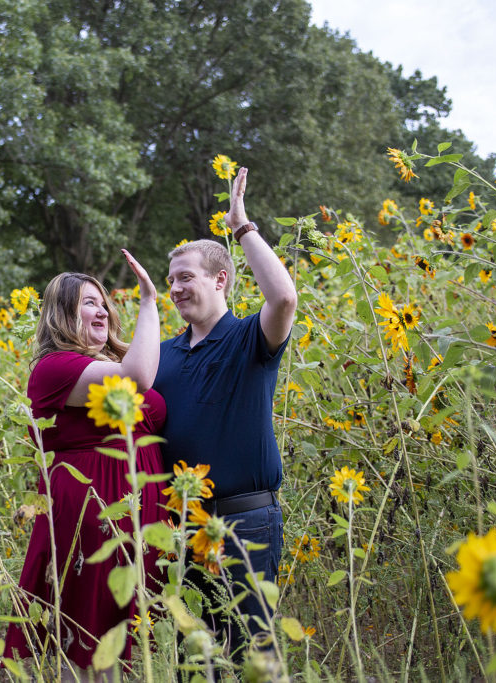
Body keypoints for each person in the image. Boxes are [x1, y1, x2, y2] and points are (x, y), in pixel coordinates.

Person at [152, 167, 297, 653]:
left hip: (246, 521)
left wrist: (242, 227)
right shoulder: (162, 354)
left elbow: (283, 297)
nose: (174, 288)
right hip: (183, 524)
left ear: (221, 279)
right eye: (170, 280)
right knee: (198, 656)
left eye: (185, 277)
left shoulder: (248, 339)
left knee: (250, 653)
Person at [3, 250, 169, 676]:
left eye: (102, 302)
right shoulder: (56, 367)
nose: (101, 309)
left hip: (141, 504)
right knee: (95, 626)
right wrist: (149, 302)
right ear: (62, 315)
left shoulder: (110, 359)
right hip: (94, 506)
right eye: (87, 303)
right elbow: (137, 380)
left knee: (144, 630)